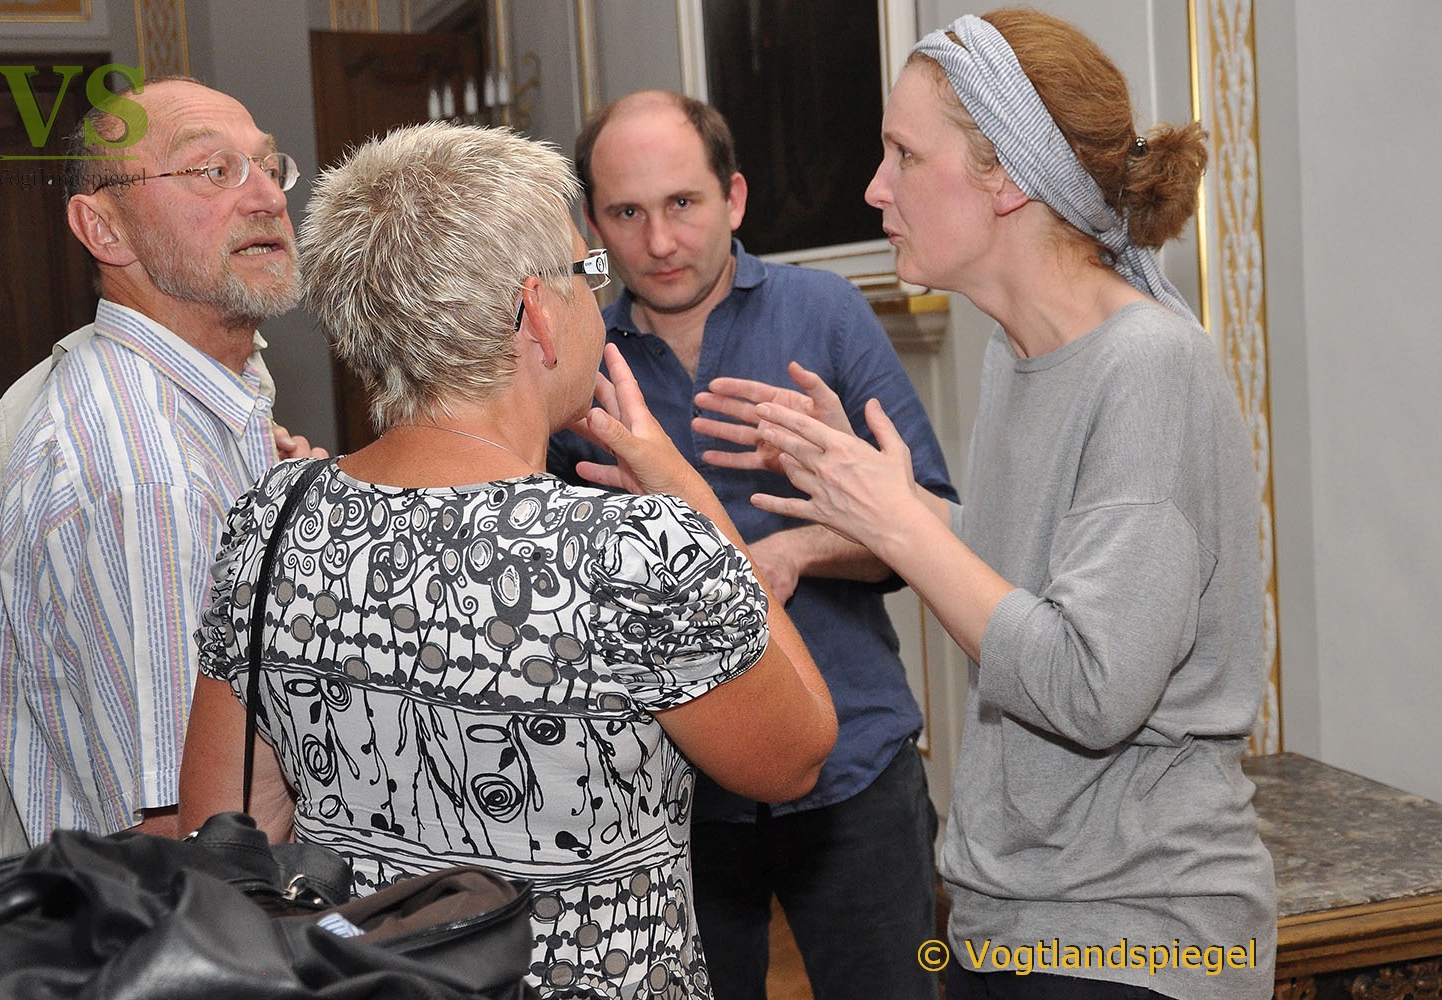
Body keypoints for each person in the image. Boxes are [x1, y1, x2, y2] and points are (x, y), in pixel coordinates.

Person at [176, 120, 837, 1000]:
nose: (598, 300)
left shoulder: (272, 517)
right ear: (536, 313)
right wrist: (690, 500)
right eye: (584, 273)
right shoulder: (629, 552)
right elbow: (796, 754)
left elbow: (231, 824)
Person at [716, 10, 1277, 1000]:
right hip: (1012, 917)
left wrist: (897, 521)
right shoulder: (1022, 355)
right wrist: (862, 489)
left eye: (902, 153)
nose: (874, 187)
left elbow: (1087, 685)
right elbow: (1019, 590)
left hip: (1133, 938)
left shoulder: (1149, 366)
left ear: (1009, 175)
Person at [548, 90, 955, 1000]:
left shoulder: (826, 314)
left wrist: (797, 548)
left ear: (733, 198)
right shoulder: (573, 361)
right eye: (628, 213)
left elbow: (929, 520)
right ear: (593, 224)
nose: (658, 242)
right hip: (672, 789)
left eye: (683, 204)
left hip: (855, 766)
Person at [0, 75, 326, 848]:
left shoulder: (212, 405)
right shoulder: (146, 477)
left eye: (270, 166)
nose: (267, 195)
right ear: (105, 231)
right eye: (214, 170)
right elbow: (194, 836)